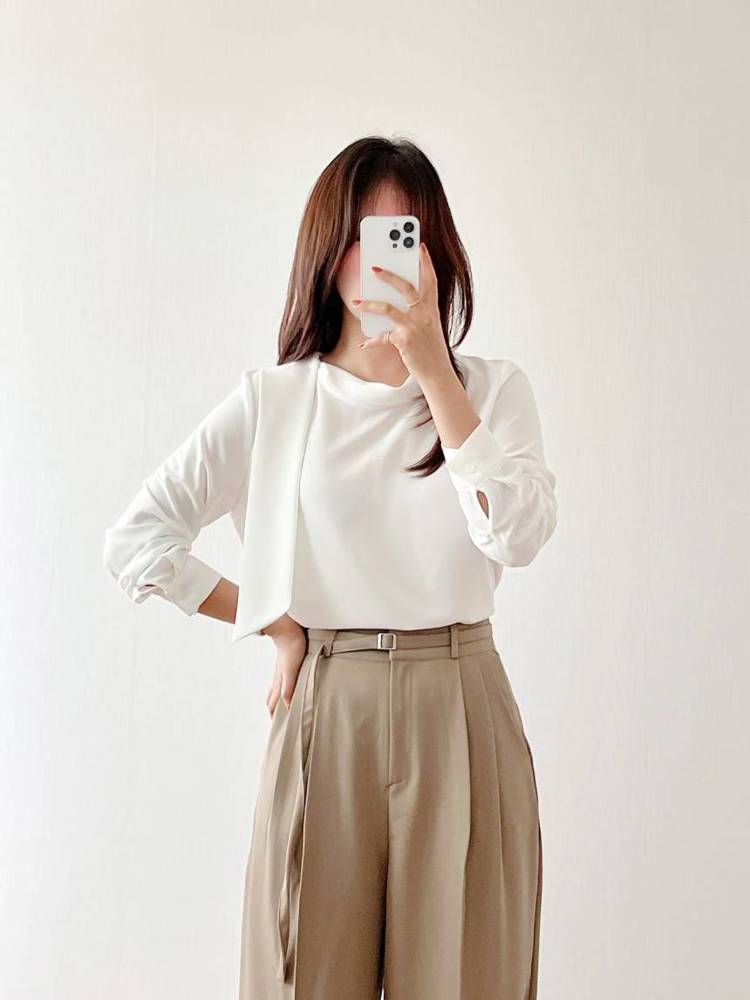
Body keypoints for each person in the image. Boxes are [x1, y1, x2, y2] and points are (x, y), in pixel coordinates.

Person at [102, 135, 558, 1000]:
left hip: (461, 703)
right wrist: (273, 617)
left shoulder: (494, 391)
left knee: (468, 978)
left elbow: (519, 536)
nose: (380, 257)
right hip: (326, 703)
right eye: (360, 234)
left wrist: (434, 373)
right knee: (300, 976)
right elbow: (137, 541)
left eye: (403, 235)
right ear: (325, 250)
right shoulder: (276, 401)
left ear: (437, 253)